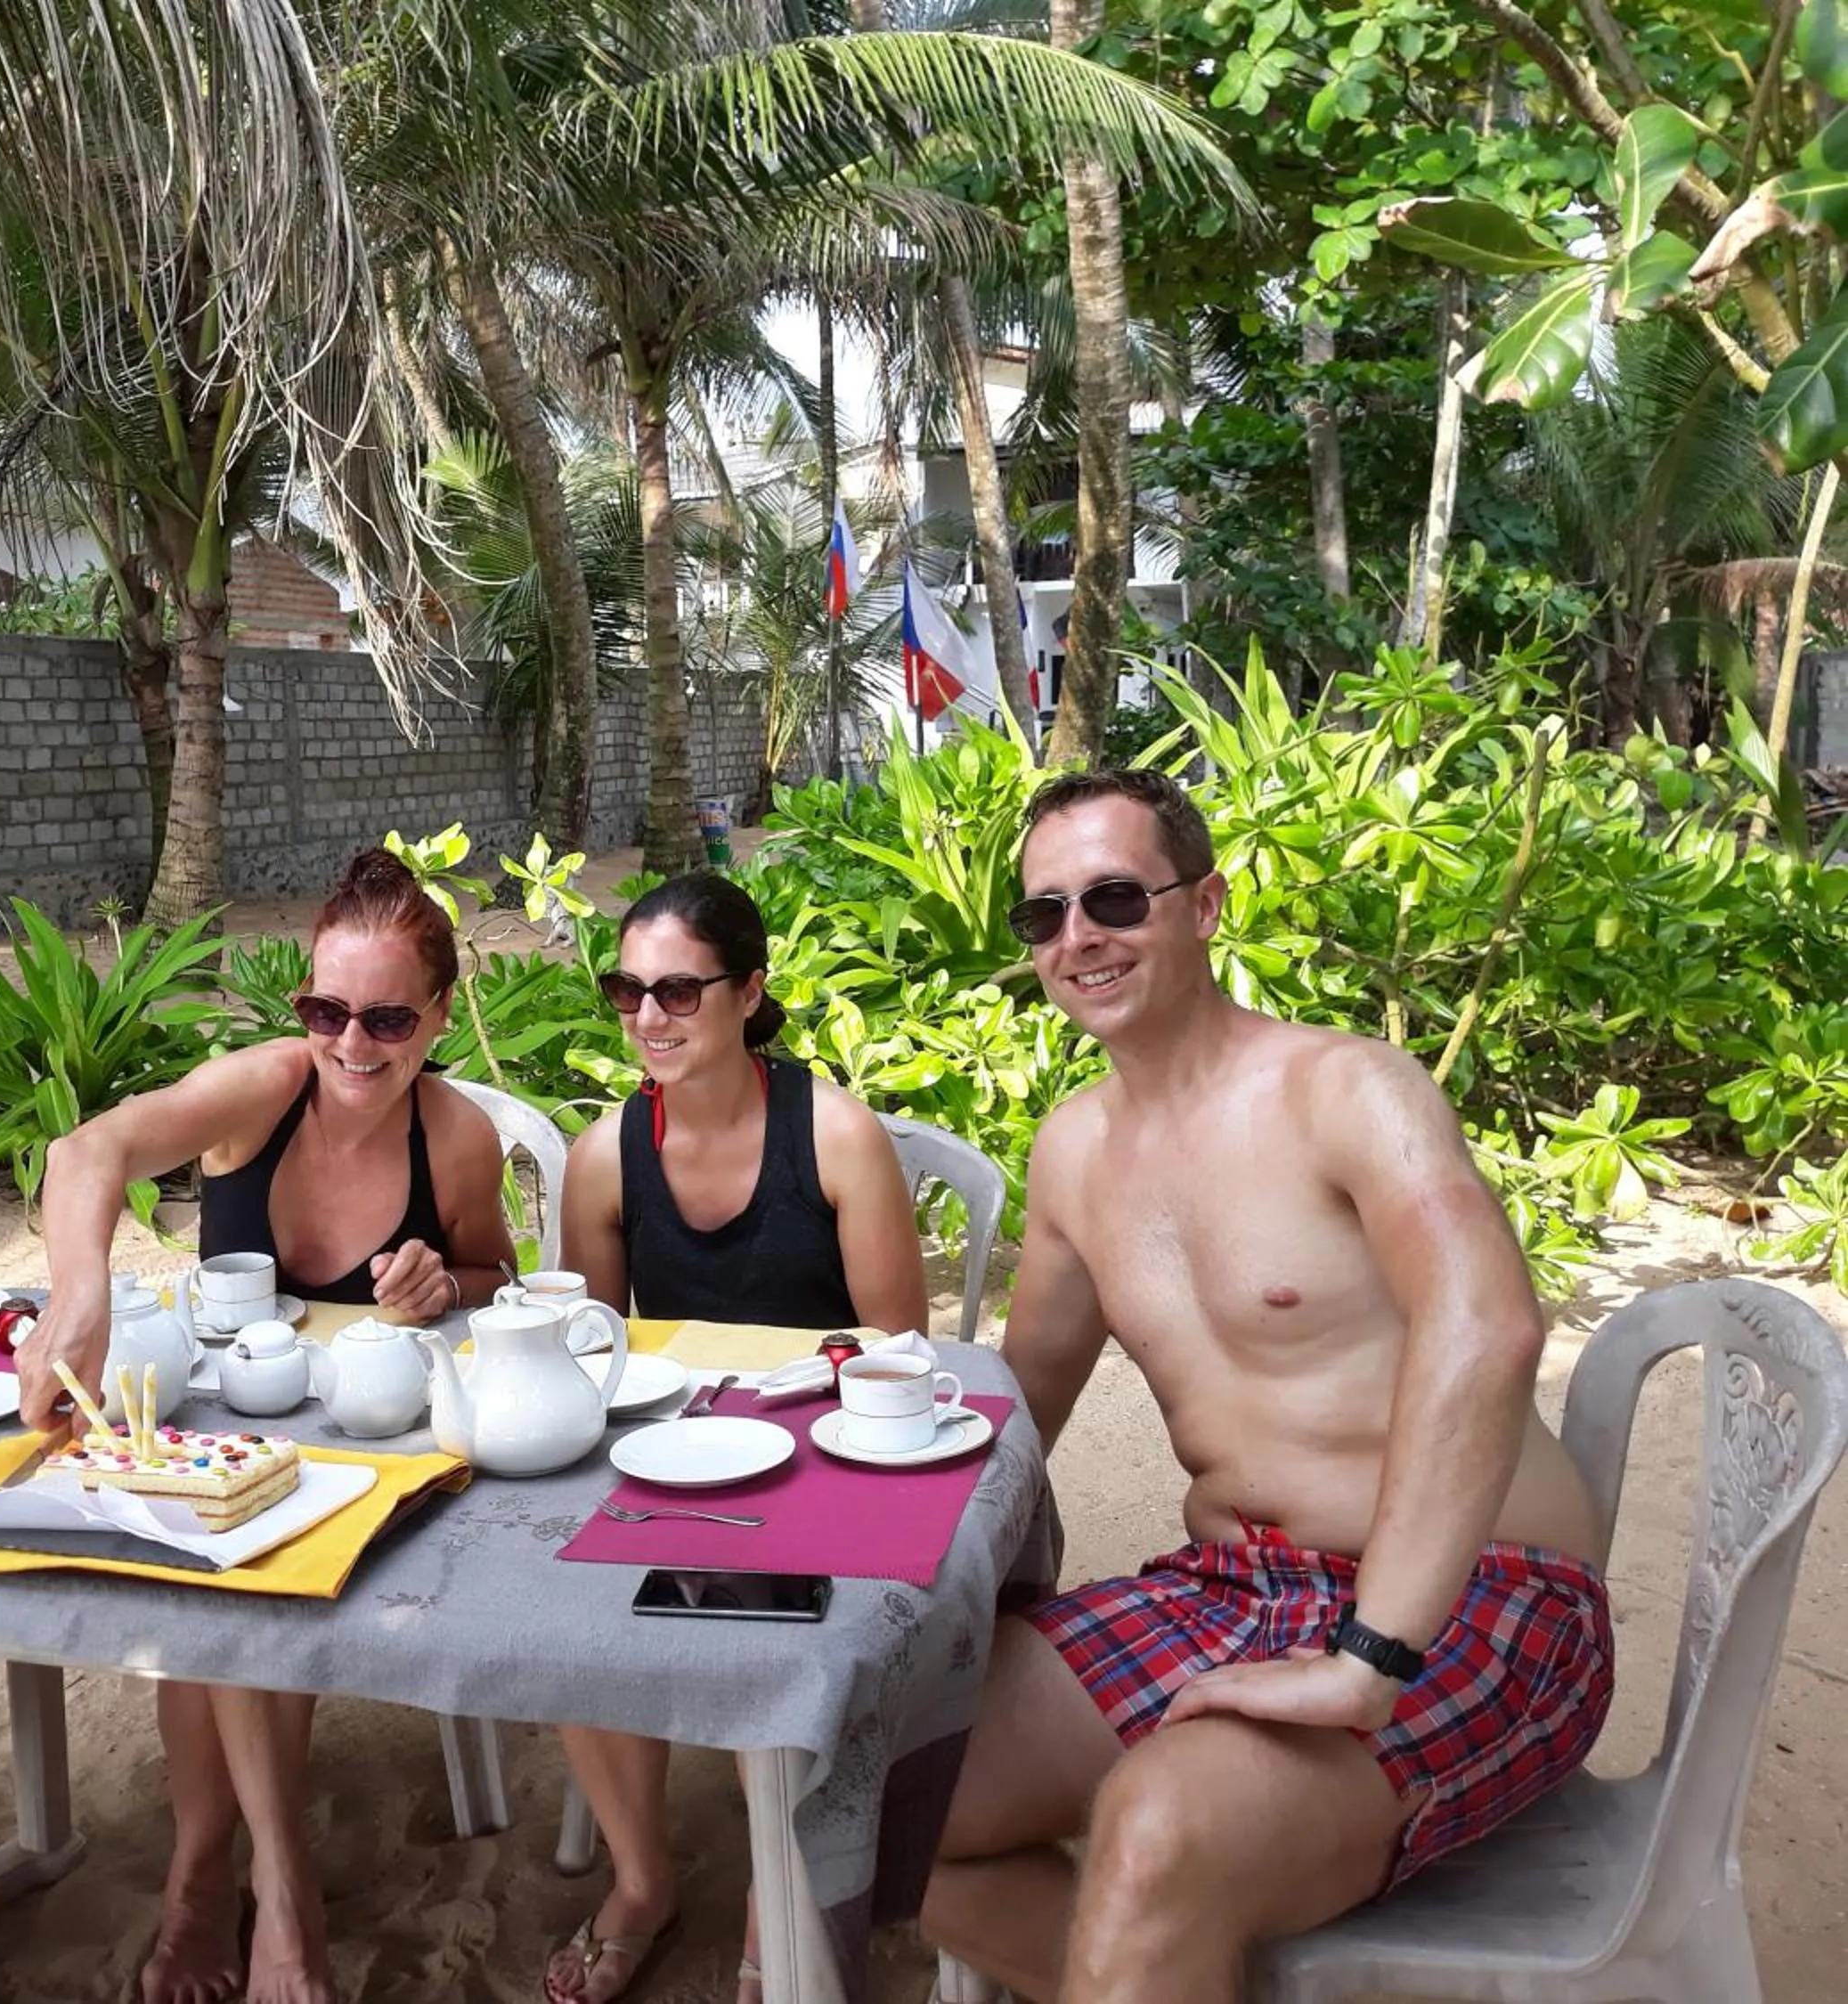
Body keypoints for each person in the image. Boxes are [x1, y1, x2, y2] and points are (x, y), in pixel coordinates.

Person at [924, 770, 1615, 2004]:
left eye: (1116, 898)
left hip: (1479, 1591)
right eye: (1044, 913)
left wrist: (1370, 1652)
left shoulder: (1345, 1090)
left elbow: (1489, 1326)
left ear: (1205, 905)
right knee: (881, 1786)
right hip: (1236, 1586)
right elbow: (1015, 1410)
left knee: (1159, 1830)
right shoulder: (1074, 1151)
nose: (1079, 937)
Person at [17, 846, 518, 2004]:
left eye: (388, 1018)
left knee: (237, 1573)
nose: (352, 1044)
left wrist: (443, 1280)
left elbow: (496, 1273)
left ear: (440, 1017)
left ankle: (228, 1881)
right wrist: (80, 1294)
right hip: (228, 1434)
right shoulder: (263, 1090)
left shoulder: (453, 1136)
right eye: (325, 1010)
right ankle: (249, 1878)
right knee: (223, 1564)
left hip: (375, 1446)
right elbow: (85, 1150)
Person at [545, 872, 930, 2004]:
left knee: (784, 1624)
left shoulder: (837, 1137)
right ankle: (642, 1879)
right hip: (677, 1456)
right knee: (561, 1595)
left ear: (750, 992)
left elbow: (899, 1350)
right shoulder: (606, 1154)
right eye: (627, 991)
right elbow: (595, 1355)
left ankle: (777, 1881)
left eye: (679, 991)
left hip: (829, 1456)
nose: (648, 1017)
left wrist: (786, 1413)